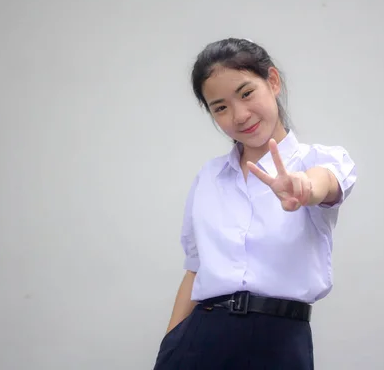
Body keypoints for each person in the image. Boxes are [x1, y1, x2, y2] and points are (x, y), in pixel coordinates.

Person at [153, 38, 357, 369]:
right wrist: (169, 346)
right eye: (220, 107)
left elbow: (327, 183)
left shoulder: (317, 160)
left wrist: (305, 188)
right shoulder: (209, 177)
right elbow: (195, 268)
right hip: (200, 338)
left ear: (272, 82)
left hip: (277, 342)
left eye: (246, 93)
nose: (240, 115)